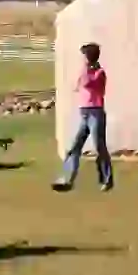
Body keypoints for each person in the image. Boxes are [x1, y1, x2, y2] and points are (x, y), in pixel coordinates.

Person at [52, 42, 113, 192]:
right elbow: (77, 85)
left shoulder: (99, 73)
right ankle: (67, 179)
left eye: (85, 56)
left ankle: (107, 179)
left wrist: (85, 69)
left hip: (95, 113)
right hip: (85, 113)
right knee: (75, 146)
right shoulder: (86, 72)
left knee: (100, 147)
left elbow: (86, 82)